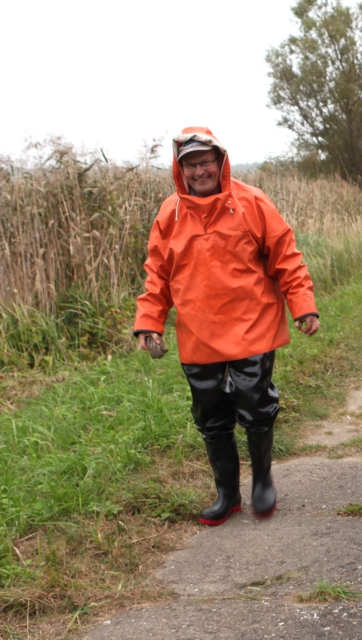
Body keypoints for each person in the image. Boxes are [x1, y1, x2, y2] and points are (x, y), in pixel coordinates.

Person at [133, 128, 320, 526]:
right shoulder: (170, 213)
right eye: (190, 165)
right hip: (198, 333)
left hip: (253, 325)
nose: (199, 171)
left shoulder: (252, 202)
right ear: (179, 170)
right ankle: (227, 493)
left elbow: (286, 256)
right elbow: (157, 273)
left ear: (220, 162)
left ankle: (262, 482)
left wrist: (303, 305)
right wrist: (150, 321)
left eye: (205, 162)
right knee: (210, 415)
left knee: (256, 404)